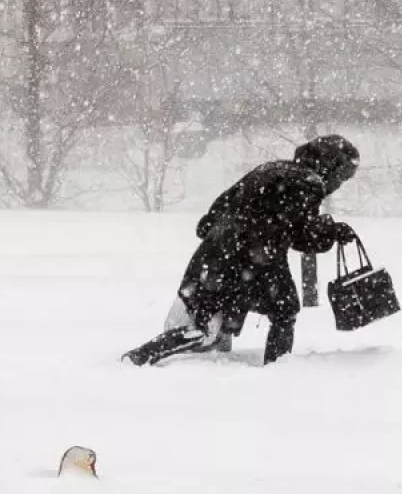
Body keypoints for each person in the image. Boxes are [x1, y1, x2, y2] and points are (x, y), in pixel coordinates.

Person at [122, 134, 360, 367]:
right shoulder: (309, 182)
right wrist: (332, 230)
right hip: (257, 254)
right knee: (284, 311)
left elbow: (217, 210)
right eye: (342, 177)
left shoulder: (271, 168)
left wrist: (224, 236)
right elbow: (299, 231)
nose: (339, 184)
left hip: (220, 249)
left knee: (212, 316)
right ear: (331, 167)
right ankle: (279, 369)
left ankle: (146, 354)